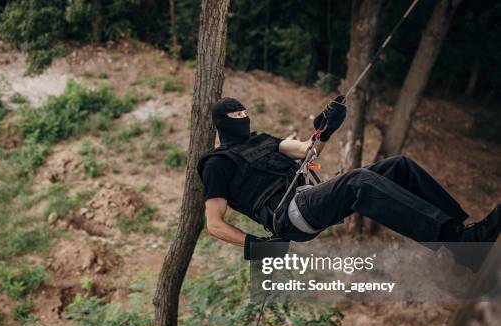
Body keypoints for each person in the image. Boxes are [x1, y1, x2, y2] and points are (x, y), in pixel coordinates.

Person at [198, 97, 501, 261]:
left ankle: (462, 235)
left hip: (309, 199)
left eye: (244, 115)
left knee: (399, 166)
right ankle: (461, 244)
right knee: (358, 181)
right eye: (236, 118)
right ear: (222, 124)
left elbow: (308, 150)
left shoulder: (262, 140)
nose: (243, 120)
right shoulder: (217, 164)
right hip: (290, 216)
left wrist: (325, 128)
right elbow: (214, 223)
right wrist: (256, 245)